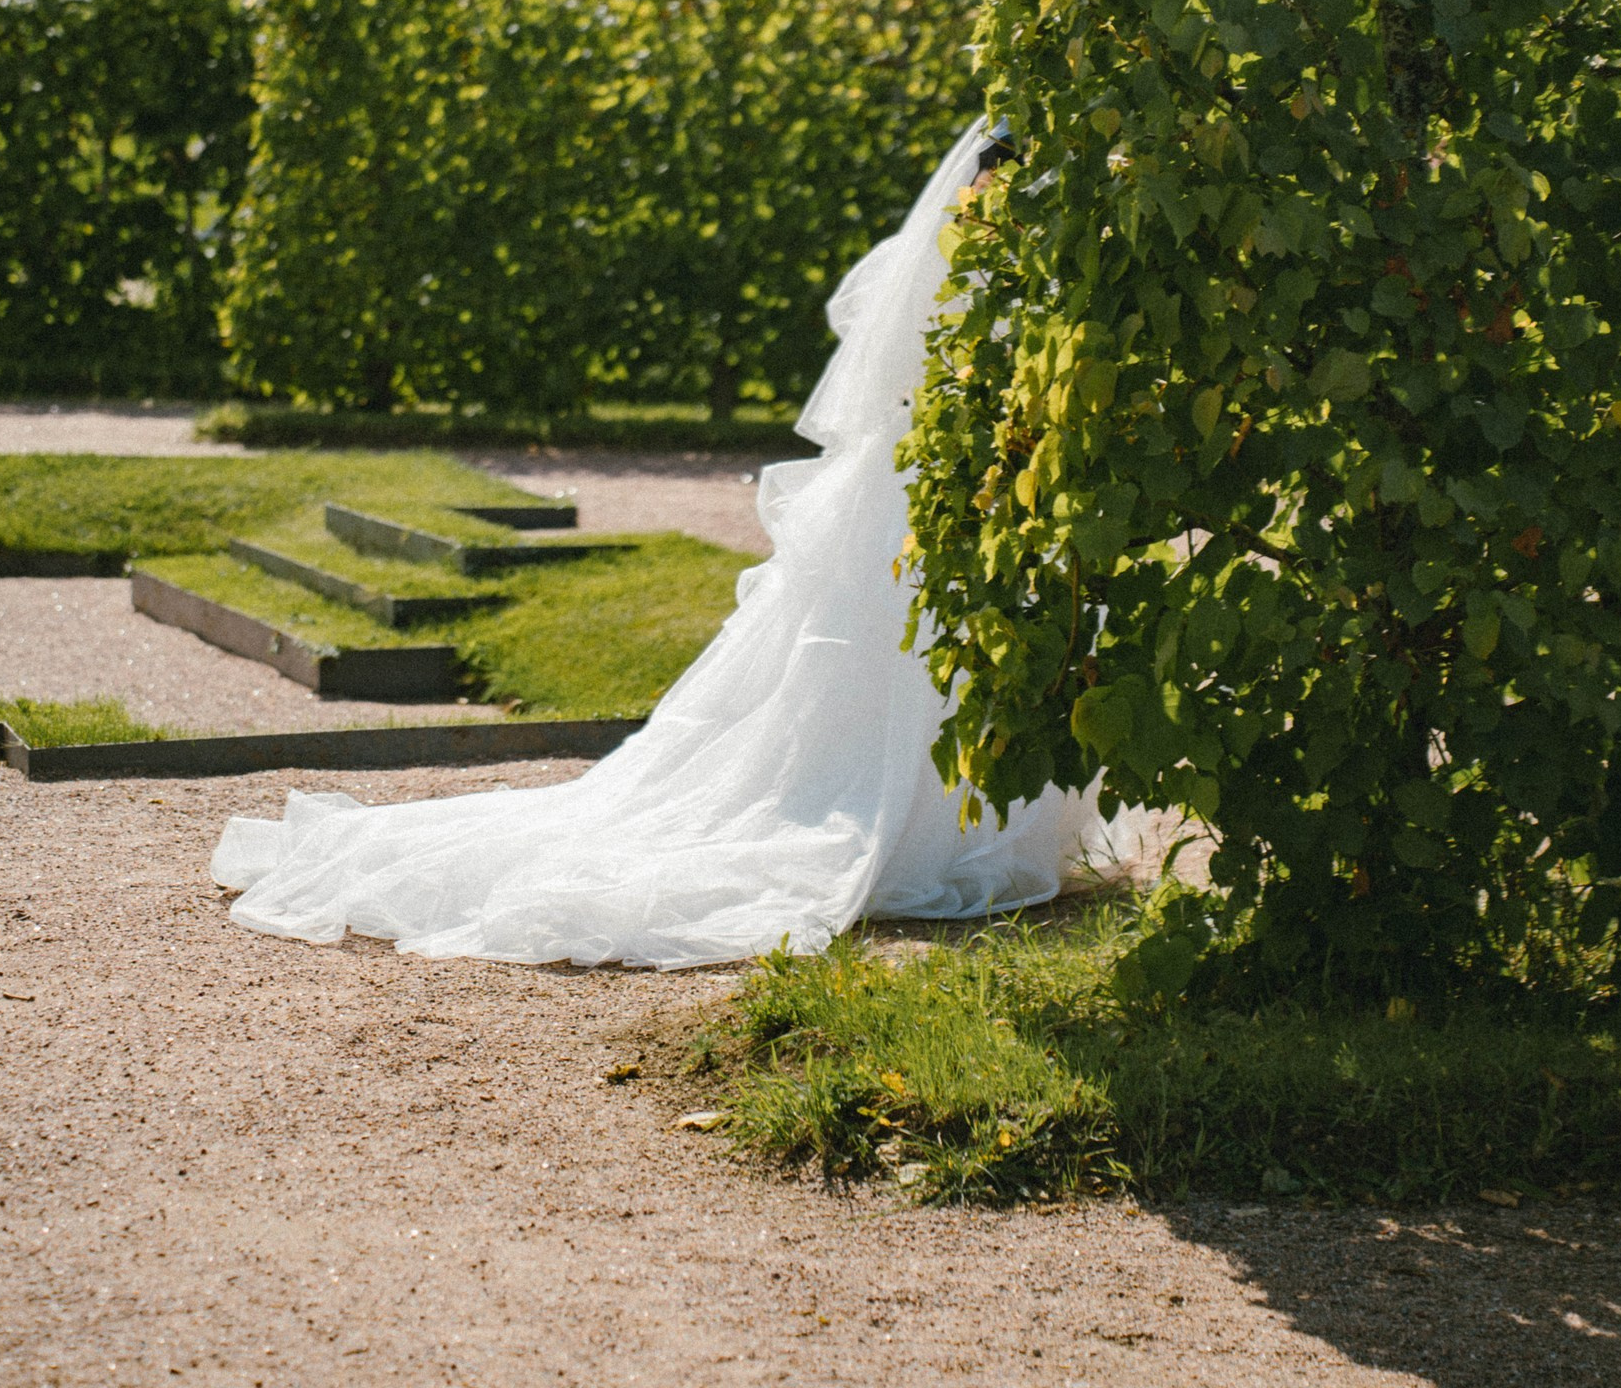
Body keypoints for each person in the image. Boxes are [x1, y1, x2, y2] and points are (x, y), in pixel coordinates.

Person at [212, 119, 1134, 968]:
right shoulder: (1006, 207)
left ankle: (977, 819)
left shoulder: (1033, 197)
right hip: (954, 472)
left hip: (988, 470)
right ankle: (936, 826)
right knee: (900, 657)